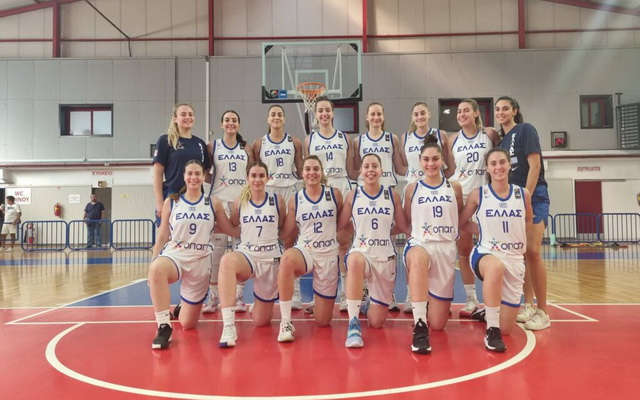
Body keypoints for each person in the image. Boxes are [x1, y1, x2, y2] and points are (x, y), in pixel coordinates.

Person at [148, 160, 238, 350]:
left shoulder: (213, 203)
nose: (193, 177)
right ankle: (163, 327)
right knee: (157, 269)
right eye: (190, 173)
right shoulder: (172, 202)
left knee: (187, 323)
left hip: (200, 261)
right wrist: (153, 260)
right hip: (176, 255)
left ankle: (183, 306)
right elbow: (163, 235)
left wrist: (263, 227)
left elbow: (229, 229)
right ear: (184, 176)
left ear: (204, 176)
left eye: (197, 173)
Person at [458, 148, 533, 352]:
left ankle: (487, 313)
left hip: (514, 259)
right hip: (485, 253)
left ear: (509, 165)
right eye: (493, 163)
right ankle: (491, 331)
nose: (498, 167)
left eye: (502, 162)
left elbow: (528, 221)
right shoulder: (479, 194)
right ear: (487, 168)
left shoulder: (522, 194)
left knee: (507, 328)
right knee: (495, 267)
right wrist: (483, 230)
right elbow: (461, 222)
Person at [337, 153, 410, 348]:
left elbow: (403, 226)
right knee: (354, 260)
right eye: (366, 166)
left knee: (376, 322)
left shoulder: (392, 195)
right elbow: (340, 224)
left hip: (385, 258)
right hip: (361, 253)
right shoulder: (353, 195)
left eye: (374, 166)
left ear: (381, 170)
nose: (370, 170)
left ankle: (367, 304)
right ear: (361, 171)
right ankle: (353, 323)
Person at [403, 135, 463, 353]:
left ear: (442, 161)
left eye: (435, 159)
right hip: (421, 243)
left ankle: (428, 304)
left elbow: (459, 216)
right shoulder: (412, 189)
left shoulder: (454, 187)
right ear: (420, 161)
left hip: (446, 248)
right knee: (418, 258)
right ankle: (420, 325)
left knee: (438, 323)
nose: (431, 164)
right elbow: (406, 219)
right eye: (426, 159)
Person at [217, 161, 286, 347]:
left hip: (270, 257)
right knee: (227, 261)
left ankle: (258, 305)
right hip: (247, 254)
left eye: (261, 176)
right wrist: (210, 225)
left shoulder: (277, 201)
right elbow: (233, 227)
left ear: (268, 178)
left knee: (261, 321)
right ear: (247, 178)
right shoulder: (240, 201)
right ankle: (228, 325)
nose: (257, 179)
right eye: (253, 176)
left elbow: (282, 229)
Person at [497, 96, 551, 331]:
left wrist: (525, 197)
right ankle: (528, 304)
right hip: (513, 199)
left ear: (515, 111)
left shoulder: (525, 129)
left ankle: (543, 311)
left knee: (534, 251)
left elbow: (535, 165)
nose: (500, 112)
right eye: (497, 109)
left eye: (505, 108)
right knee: (523, 253)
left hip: (533, 196)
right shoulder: (502, 141)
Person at [276, 155, 343, 342]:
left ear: (321, 172)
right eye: (307, 169)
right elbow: (287, 231)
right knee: (287, 259)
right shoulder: (296, 199)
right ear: (302, 173)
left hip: (328, 254)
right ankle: (286, 321)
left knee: (322, 321)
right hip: (305, 251)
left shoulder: (334, 194)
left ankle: (319, 303)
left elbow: (343, 223)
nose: (311, 173)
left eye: (315, 169)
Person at [398, 101, 454, 312]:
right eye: (416, 114)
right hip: (415, 190)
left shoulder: (441, 135)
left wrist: (438, 183)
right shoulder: (405, 137)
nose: (420, 117)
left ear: (429, 114)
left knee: (436, 238)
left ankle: (437, 295)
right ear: (412, 117)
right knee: (412, 238)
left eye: (423, 113)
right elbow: (401, 165)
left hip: (436, 189)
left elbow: (449, 166)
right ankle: (411, 294)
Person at [305, 96, 358, 312]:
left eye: (327, 110)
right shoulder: (309, 140)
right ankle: (318, 295)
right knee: (319, 243)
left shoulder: (345, 138)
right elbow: (308, 169)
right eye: (321, 111)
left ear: (333, 113)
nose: (324, 114)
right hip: (321, 189)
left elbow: (351, 169)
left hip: (342, 186)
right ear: (315, 114)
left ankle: (346, 294)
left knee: (344, 241)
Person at [448, 99, 500, 317]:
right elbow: (450, 169)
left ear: (476, 113)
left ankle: (494, 299)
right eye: (459, 111)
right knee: (463, 247)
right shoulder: (453, 139)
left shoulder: (490, 134)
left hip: (485, 194)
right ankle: (471, 299)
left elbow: (498, 160)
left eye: (466, 110)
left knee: (491, 246)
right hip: (462, 195)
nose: (461, 114)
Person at [202, 110, 254, 315]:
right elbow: (206, 175)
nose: (230, 123)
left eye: (234, 120)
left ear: (238, 125)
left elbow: (252, 174)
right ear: (221, 124)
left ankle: (239, 296)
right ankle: (214, 296)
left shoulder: (246, 148)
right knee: (217, 252)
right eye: (227, 120)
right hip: (219, 201)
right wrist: (221, 182)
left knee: (241, 251)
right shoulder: (212, 146)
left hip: (242, 203)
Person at [253, 105, 305, 310]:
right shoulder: (260, 143)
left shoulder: (295, 142)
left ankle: (294, 292)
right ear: (268, 119)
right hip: (268, 191)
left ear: (284, 119)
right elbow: (255, 171)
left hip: (289, 190)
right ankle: (265, 292)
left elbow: (300, 169)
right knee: (267, 243)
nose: (276, 117)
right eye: (273, 114)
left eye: (280, 114)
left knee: (291, 241)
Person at [153, 103, 211, 226]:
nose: (187, 117)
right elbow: (157, 174)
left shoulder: (200, 143)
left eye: (190, 114)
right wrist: (159, 203)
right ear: (175, 118)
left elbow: (205, 172)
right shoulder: (166, 140)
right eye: (183, 114)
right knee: (168, 234)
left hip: (196, 196)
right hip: (173, 194)